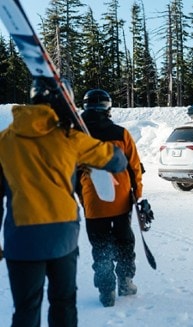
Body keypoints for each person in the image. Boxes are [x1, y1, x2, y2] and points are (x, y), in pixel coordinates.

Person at [0, 77, 128, 327]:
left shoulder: (4, 141)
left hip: (21, 238)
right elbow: (118, 161)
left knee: (26, 309)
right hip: (62, 236)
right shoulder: (70, 137)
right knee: (63, 303)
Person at [77, 89, 144, 307]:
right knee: (125, 242)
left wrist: (82, 198)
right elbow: (135, 169)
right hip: (121, 201)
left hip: (93, 202)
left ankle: (106, 291)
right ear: (108, 107)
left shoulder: (78, 136)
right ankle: (125, 281)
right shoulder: (121, 133)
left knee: (101, 246)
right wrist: (137, 196)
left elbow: (71, 171)